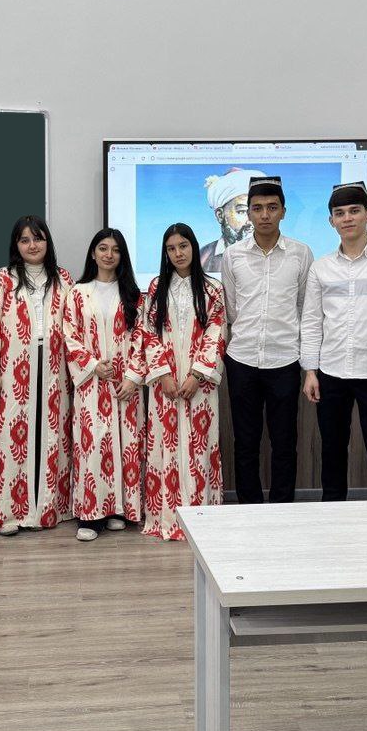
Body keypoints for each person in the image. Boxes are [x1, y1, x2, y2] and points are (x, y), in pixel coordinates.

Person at [300, 182, 367, 501]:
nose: (347, 218)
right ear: (331, 221)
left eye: (354, 211)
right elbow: (312, 321)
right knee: (332, 452)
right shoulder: (321, 268)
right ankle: (332, 515)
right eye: (340, 213)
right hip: (331, 372)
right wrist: (310, 371)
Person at [0, 215, 75, 535]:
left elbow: (75, 325)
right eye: (25, 240)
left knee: (49, 435)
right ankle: (7, 512)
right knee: (11, 437)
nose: (33, 245)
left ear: (47, 242)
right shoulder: (2, 279)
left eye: (38, 238)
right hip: (11, 369)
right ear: (16, 245)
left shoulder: (63, 279)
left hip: (54, 369)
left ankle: (47, 509)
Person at [221, 175, 313, 503]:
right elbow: (232, 308)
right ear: (249, 213)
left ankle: (281, 510)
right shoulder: (232, 255)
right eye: (257, 208)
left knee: (284, 443)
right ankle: (249, 510)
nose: (264, 215)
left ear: (283, 212)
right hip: (242, 359)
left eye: (272, 208)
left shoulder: (301, 254)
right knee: (245, 442)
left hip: (284, 360)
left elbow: (304, 307)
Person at [142, 224, 227, 540]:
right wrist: (163, 374)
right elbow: (148, 333)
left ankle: (202, 518)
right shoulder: (156, 288)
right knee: (165, 447)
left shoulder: (212, 289)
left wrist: (197, 375)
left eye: (183, 246)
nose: (178, 253)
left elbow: (217, 331)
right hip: (164, 383)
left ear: (193, 246)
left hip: (198, 385)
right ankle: (165, 517)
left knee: (198, 446)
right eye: (171, 248)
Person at [63, 228, 146, 541]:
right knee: (93, 445)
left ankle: (117, 510)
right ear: (93, 253)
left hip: (125, 386)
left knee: (125, 445)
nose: (109, 255)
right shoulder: (78, 292)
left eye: (115, 249)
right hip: (91, 384)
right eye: (103, 248)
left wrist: (133, 377)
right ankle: (91, 515)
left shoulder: (133, 295)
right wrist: (92, 365)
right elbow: (69, 335)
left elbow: (143, 338)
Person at [198, 167, 265, 273]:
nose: (251, 220)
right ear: (220, 215)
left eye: (256, 210)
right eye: (242, 211)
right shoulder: (202, 257)